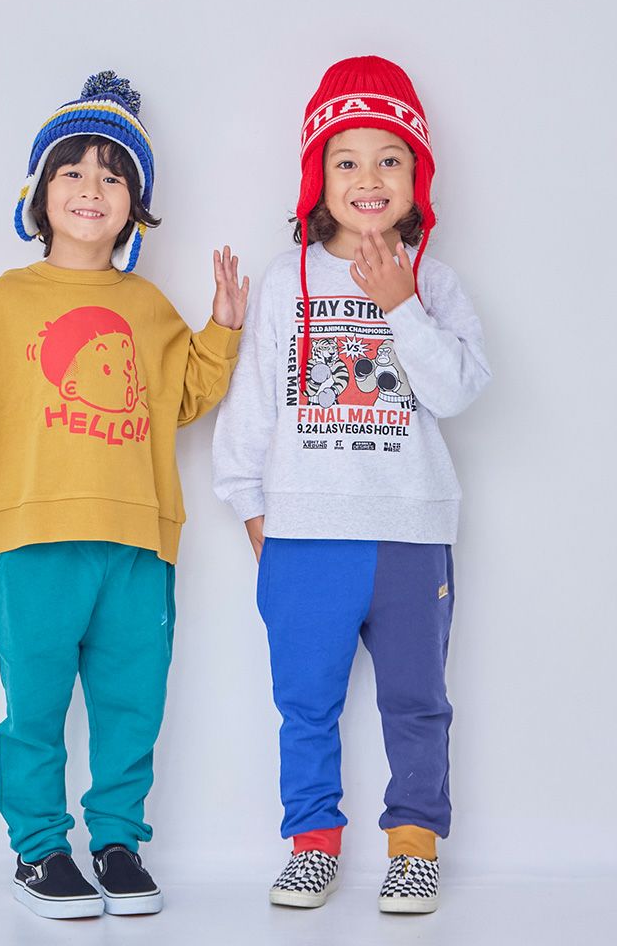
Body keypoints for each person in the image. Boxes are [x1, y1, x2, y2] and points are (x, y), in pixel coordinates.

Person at [0, 70, 247, 920]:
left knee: (132, 703)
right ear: (39, 194)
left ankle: (117, 842)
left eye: (113, 176)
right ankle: (39, 848)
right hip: (32, 538)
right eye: (72, 171)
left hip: (139, 542)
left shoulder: (149, 307)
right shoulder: (9, 299)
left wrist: (223, 328)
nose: (91, 188)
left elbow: (186, 396)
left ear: (134, 207)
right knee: (34, 706)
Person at [212, 55, 490, 914]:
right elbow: (255, 405)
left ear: (417, 177)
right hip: (304, 537)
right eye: (347, 160)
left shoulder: (434, 282)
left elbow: (459, 390)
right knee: (305, 704)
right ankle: (312, 846)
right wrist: (255, 516)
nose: (369, 178)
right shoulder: (283, 280)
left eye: (389, 159)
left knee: (417, 702)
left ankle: (414, 849)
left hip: (411, 532)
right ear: (318, 179)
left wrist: (402, 303)